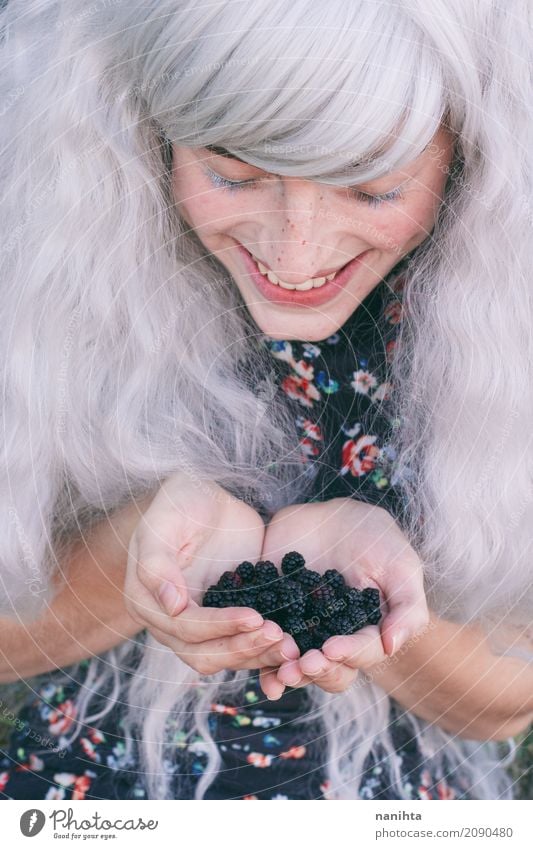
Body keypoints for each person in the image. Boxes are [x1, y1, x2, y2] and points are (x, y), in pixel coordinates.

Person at [0, 0, 531, 801]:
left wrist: (362, 609)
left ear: (466, 152)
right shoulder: (39, 261)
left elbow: (505, 701)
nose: (294, 254)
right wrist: (136, 552)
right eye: (233, 174)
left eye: (371, 190)